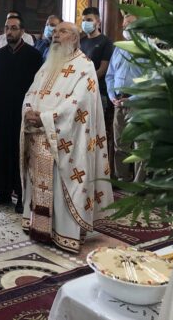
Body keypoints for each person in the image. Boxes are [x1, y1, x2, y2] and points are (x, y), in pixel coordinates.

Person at [20, 22, 113, 253]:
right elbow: (32, 91)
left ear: (74, 38)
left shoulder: (84, 66)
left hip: (63, 138)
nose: (56, 35)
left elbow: (79, 103)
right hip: (39, 135)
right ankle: (39, 227)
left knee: (62, 186)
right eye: (55, 31)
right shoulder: (49, 63)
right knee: (40, 184)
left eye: (62, 31)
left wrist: (46, 118)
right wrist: (28, 110)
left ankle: (64, 233)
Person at [0, 14, 43, 213]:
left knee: (20, 152)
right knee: (1, 151)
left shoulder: (33, 56)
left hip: (23, 111)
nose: (9, 32)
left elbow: (38, 86)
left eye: (13, 28)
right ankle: (2, 192)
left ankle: (21, 195)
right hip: (2, 111)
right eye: (7, 28)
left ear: (22, 31)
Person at [105, 14, 144, 182]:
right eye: (124, 25)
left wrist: (133, 98)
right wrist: (112, 95)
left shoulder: (147, 48)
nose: (125, 28)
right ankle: (122, 179)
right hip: (118, 102)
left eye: (129, 24)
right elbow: (110, 75)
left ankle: (138, 184)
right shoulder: (119, 48)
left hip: (139, 103)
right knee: (120, 143)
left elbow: (152, 80)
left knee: (140, 146)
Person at [79, 7, 114, 107]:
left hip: (98, 90)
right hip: (80, 90)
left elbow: (103, 69)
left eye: (89, 20)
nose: (85, 23)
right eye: (83, 20)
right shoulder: (81, 41)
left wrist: (86, 82)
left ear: (98, 22)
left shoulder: (106, 41)